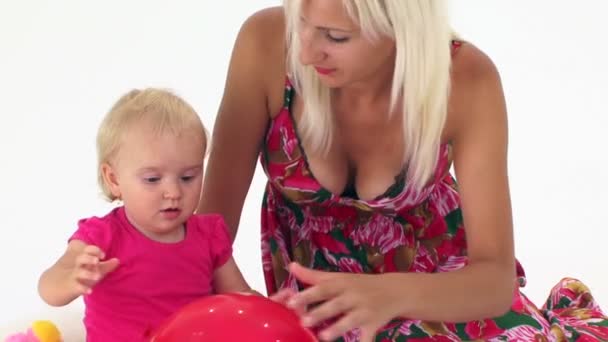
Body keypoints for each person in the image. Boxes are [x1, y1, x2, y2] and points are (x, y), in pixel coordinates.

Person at [198, 0, 608, 341]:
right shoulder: (265, 45)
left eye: (335, 37)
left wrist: (391, 295)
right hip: (321, 311)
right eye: (299, 23)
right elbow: (206, 239)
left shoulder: (466, 81)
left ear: (399, 26)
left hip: (438, 293)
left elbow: (495, 280)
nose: (305, 52)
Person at [38, 88, 252, 341]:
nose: (173, 192)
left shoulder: (209, 235)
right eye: (152, 179)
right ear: (114, 179)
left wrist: (276, 308)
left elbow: (241, 300)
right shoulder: (101, 236)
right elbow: (48, 288)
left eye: (188, 177)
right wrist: (72, 278)